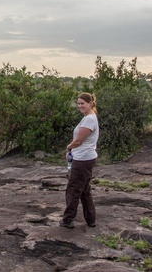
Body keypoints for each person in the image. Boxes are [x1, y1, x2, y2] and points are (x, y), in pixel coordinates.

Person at [60, 92, 99, 229]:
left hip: (83, 159)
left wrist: (68, 148)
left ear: (90, 103)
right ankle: (90, 219)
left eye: (83, 103)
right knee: (84, 190)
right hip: (85, 157)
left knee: (73, 189)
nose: (80, 106)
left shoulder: (89, 119)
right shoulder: (89, 117)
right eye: (79, 103)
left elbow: (78, 141)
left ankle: (68, 219)